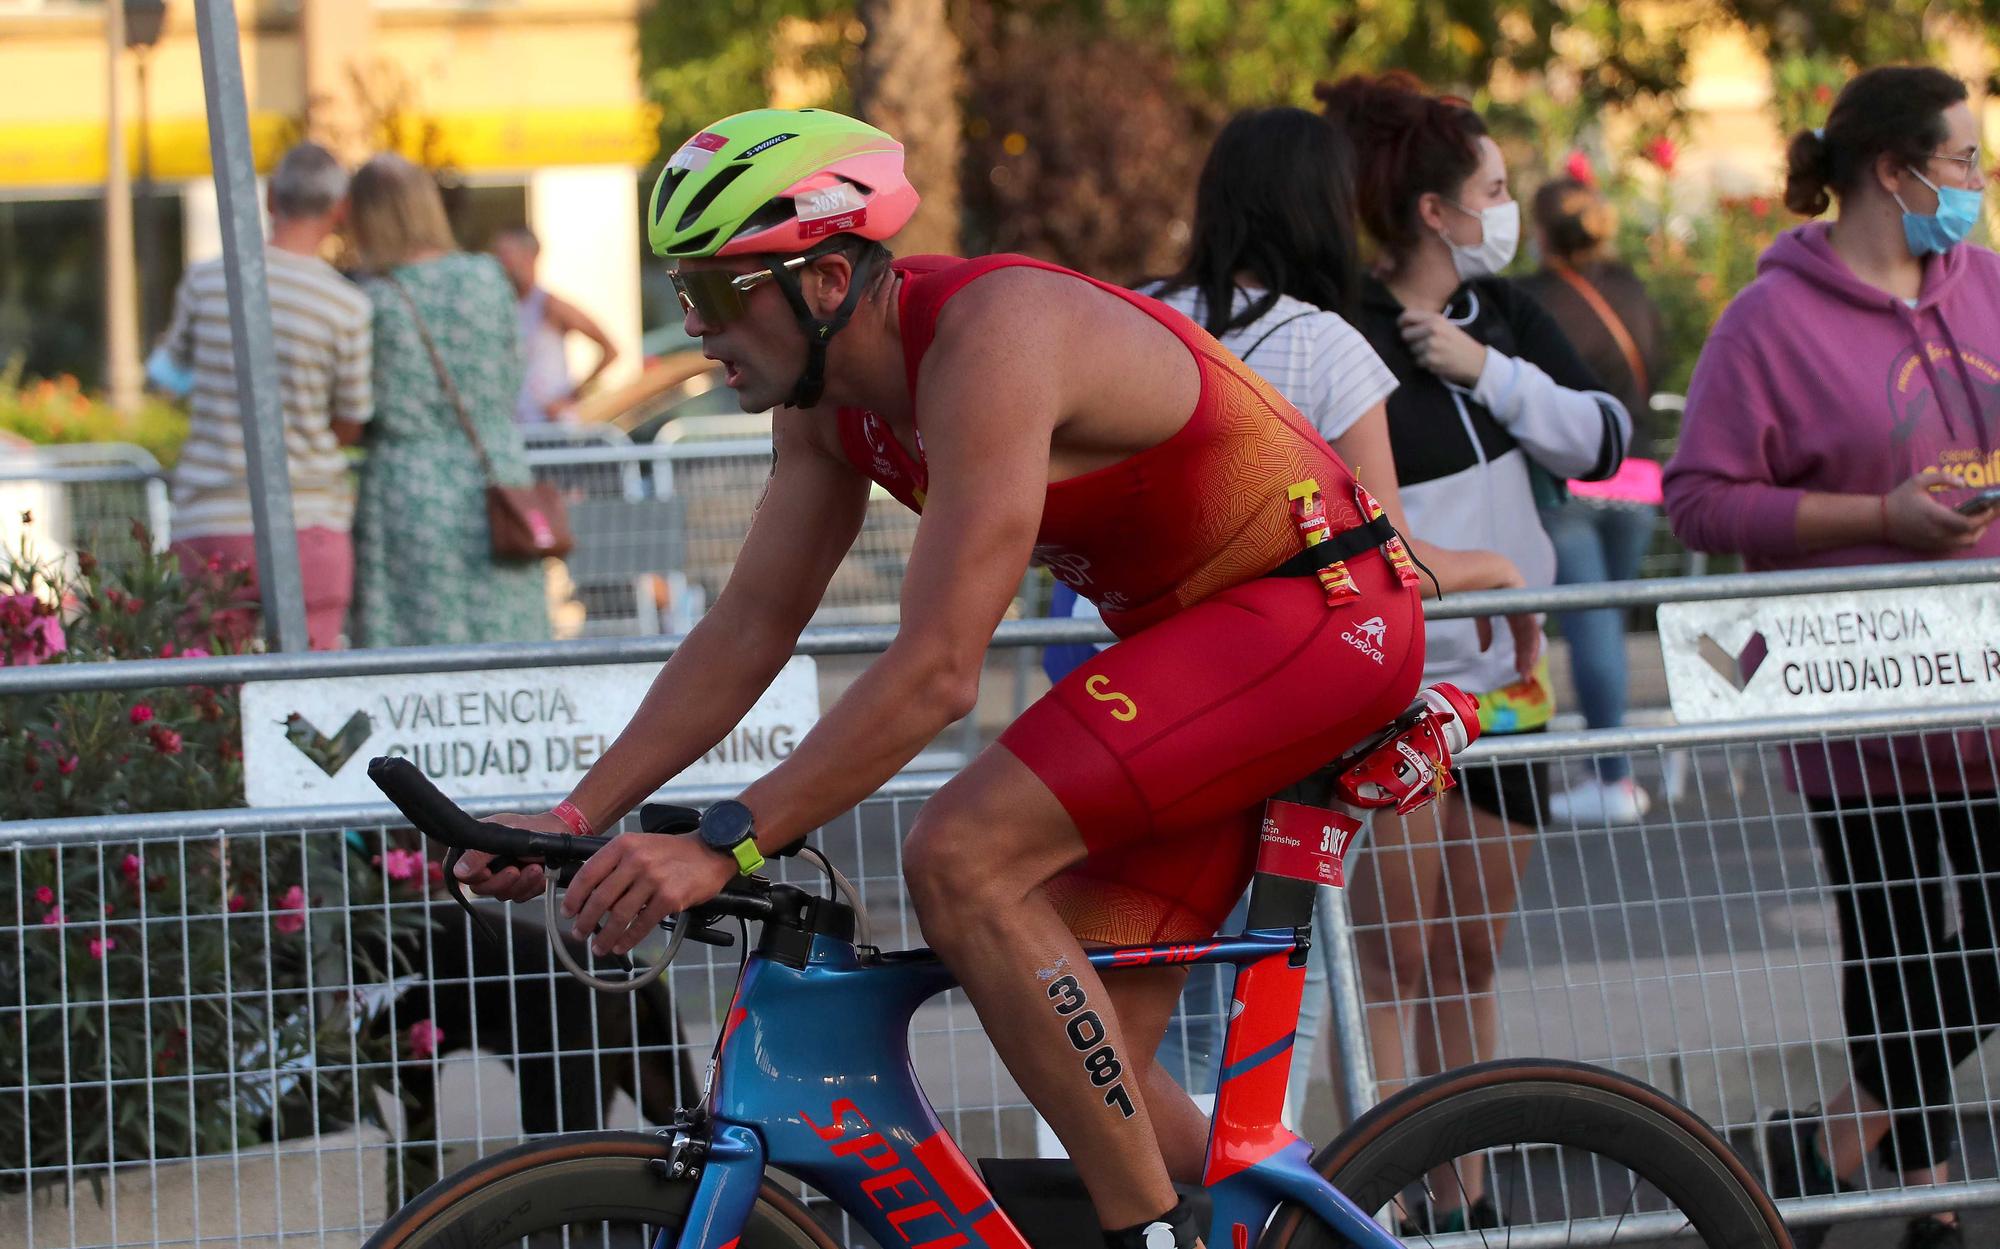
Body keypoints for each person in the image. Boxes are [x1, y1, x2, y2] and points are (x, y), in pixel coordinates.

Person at [451, 106, 1489, 1249]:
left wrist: (722, 842)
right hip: (1198, 650)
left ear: (828, 278)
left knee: (957, 854)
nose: (694, 328)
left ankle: (1136, 1239)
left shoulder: (992, 340)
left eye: (711, 291)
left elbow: (939, 669)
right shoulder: (826, 407)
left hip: (1313, 620)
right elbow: (749, 626)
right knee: (1079, 1050)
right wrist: (573, 813)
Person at [1141, 106, 1539, 1128]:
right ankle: (1257, 1203)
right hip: (1285, 712)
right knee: (1277, 983)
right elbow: (1389, 554)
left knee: (1150, 986)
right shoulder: (1323, 346)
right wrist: (1495, 568)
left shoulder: (1137, 321)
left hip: (1141, 703)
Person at [1663, 65, 1997, 1249]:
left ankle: (1826, 1145)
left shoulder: (1989, 287)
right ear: (1889, 172)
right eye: (1961, 162)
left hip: (1993, 682)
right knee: (1893, 948)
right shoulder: (1766, 321)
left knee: (1962, 953)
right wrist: (1878, 518)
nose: (1975, 183)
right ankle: (1926, 1190)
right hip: (1861, 694)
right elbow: (1697, 500)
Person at [1318, 71, 1631, 1231]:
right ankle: (1376, 1197)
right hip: (1398, 681)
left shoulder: (1503, 319)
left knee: (1465, 952)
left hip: (1513, 687)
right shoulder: (1340, 327)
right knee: (1390, 957)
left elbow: (1603, 434)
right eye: (1490, 188)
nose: (1507, 206)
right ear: (1433, 211)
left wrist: (1481, 371)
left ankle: (1470, 1195)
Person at [154, 142, 371, 650]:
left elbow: (168, 377)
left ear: (272, 198)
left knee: (209, 700)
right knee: (312, 703)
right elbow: (350, 421)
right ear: (340, 211)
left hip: (210, 518)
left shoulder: (207, 280)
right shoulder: (348, 306)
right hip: (310, 522)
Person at [344, 154, 550, 647]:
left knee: (417, 644)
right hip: (496, 472)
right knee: (507, 631)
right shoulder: (487, 277)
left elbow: (359, 402)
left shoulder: (374, 298)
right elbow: (512, 369)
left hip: (408, 480)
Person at [1518, 177, 1669, 824]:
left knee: (1590, 626)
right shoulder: (1630, 288)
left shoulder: (1530, 299)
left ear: (1543, 232)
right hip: (1637, 476)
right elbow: (1657, 363)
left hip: (1570, 480)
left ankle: (1610, 774)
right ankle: (1612, 769)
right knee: (1604, 617)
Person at [490, 227, 620, 425]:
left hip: (550, 429)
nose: (499, 263)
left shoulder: (549, 305)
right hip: (515, 425)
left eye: (506, 254)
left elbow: (610, 350)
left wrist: (572, 397)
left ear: (529, 256)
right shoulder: (501, 309)